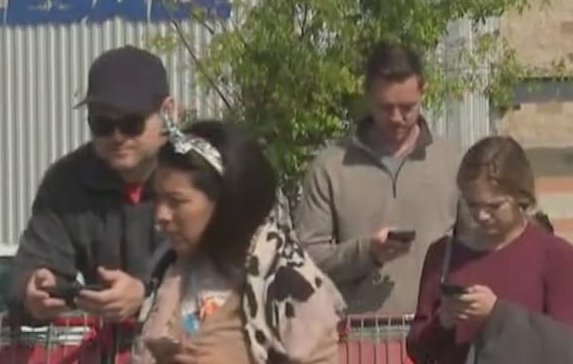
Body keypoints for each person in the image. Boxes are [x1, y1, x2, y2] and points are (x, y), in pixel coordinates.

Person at [132, 119, 343, 364]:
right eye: (158, 199)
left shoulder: (287, 284)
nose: (161, 215)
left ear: (225, 203)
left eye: (176, 201)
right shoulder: (168, 270)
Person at [294, 42, 460, 314]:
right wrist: (366, 252)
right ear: (367, 95)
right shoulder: (330, 167)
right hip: (356, 331)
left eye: (407, 107)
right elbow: (304, 259)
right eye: (385, 107)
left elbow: (478, 248)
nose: (397, 118)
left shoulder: (453, 163)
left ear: (423, 91)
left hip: (436, 330)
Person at [12, 45, 173, 325]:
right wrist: (33, 290)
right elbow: (33, 265)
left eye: (131, 123)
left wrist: (146, 295)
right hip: (107, 343)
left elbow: (226, 275)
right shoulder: (67, 182)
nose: (117, 136)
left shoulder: (200, 174)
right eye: (102, 124)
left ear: (168, 111)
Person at [406, 136, 573, 364]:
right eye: (472, 204)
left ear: (521, 197)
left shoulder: (555, 255)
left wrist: (497, 315)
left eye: (494, 206)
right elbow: (418, 349)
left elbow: (565, 347)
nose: (482, 215)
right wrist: (443, 321)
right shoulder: (443, 254)